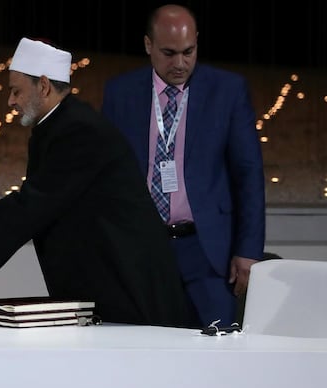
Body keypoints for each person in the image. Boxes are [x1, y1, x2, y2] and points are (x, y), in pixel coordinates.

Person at [0, 37, 192, 328]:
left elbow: (34, 202)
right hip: (110, 282)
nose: (11, 101)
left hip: (132, 289)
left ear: (43, 86)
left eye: (16, 91)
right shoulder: (59, 126)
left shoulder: (77, 130)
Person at [101, 4, 266, 327]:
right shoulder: (121, 93)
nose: (180, 63)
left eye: (188, 51)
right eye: (169, 53)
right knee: (146, 352)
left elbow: (248, 174)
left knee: (218, 353)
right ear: (148, 45)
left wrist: (248, 250)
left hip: (206, 251)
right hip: (143, 249)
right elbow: (107, 176)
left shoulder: (227, 91)